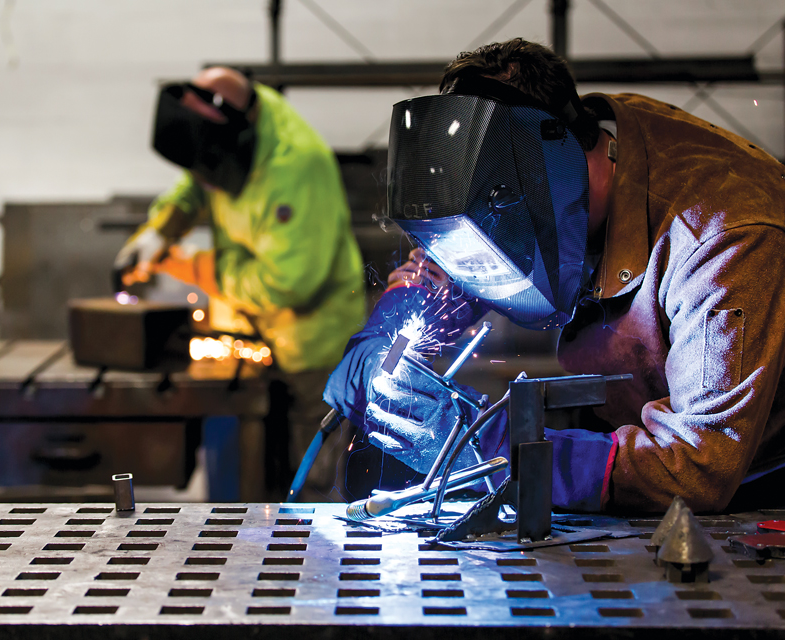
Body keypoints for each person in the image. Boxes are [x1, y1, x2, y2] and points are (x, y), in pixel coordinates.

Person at [323, 38, 785, 514]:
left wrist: (495, 444)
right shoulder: (546, 166)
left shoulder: (722, 240)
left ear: (549, 176)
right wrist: (380, 339)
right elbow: (446, 267)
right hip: (635, 444)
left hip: (753, 487)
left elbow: (695, 469)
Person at [116, 66, 366, 500]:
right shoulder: (223, 133)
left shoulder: (295, 166)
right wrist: (161, 230)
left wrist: (189, 265)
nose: (208, 182)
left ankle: (308, 557)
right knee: (258, 473)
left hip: (313, 346)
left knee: (310, 481)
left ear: (239, 136)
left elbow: (288, 285)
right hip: (256, 333)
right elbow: (196, 180)